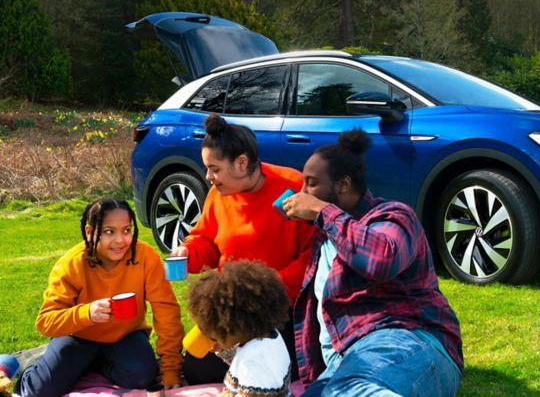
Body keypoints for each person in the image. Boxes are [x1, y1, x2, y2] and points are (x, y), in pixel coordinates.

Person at [283, 129, 463, 396]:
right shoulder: (324, 240)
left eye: (311, 183)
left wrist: (321, 209)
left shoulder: (394, 216)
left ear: (343, 184)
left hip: (406, 339)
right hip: (343, 363)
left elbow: (382, 259)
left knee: (350, 392)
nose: (303, 193)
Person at [170, 113, 315, 383]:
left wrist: (269, 296)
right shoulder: (218, 194)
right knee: (195, 365)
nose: (208, 176)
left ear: (242, 162)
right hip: (231, 310)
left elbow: (312, 255)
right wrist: (187, 252)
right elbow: (206, 241)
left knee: (269, 370)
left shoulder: (291, 186)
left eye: (214, 168)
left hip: (279, 310)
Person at [14, 198, 184, 397]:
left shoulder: (145, 257)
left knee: (141, 377)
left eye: (126, 230)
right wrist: (87, 313)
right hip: (78, 335)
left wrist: (171, 369)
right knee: (38, 391)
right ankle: (31, 363)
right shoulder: (72, 263)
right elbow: (45, 322)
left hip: (125, 334)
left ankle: (94, 363)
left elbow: (166, 311)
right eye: (109, 232)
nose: (120, 240)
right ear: (89, 232)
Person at [187, 261, 292, 397]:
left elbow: (252, 372)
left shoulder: (253, 364)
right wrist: (223, 349)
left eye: (215, 336)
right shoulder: (266, 336)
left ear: (234, 326)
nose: (213, 342)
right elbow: (241, 361)